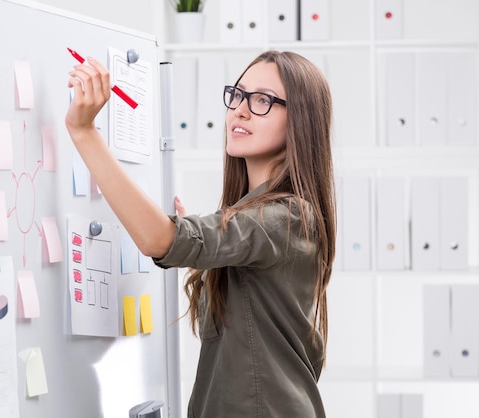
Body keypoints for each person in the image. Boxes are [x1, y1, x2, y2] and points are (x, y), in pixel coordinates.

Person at [65, 50, 336, 418]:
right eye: (238, 96)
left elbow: (158, 240)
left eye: (262, 101)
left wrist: (83, 132)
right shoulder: (257, 216)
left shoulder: (286, 217)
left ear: (300, 121)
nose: (240, 110)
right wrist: (201, 250)